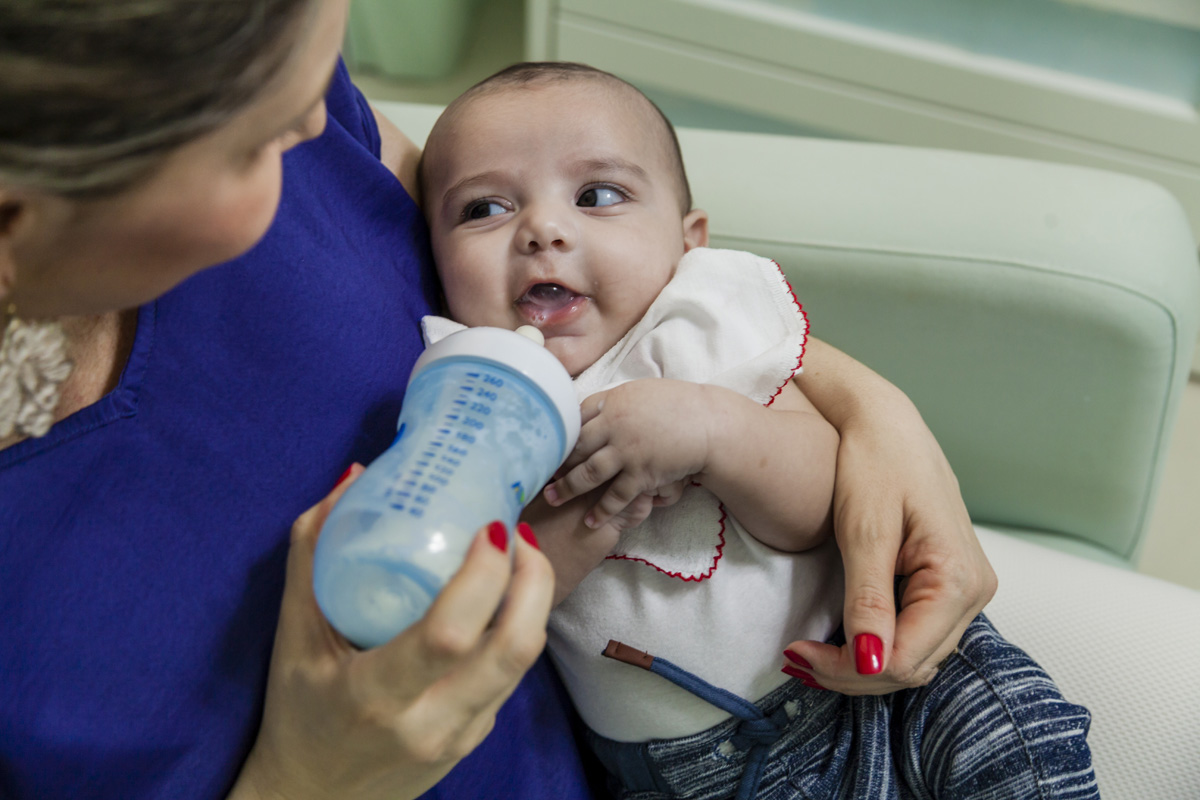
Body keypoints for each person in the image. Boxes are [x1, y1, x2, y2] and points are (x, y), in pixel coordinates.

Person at [0, 2, 996, 797]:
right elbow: (519, 578)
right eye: (255, 138)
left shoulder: (258, 61)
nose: (312, 126)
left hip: (863, 683)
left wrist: (864, 411)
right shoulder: (466, 363)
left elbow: (643, 287)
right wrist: (306, 782)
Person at [416, 61, 1098, 799]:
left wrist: (714, 430)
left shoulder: (700, 333)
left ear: (689, 244)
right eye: (484, 209)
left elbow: (820, 507)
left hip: (883, 692)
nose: (543, 230)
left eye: (598, 196)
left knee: (1016, 751)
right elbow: (490, 601)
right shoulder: (469, 395)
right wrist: (583, 514)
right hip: (686, 774)